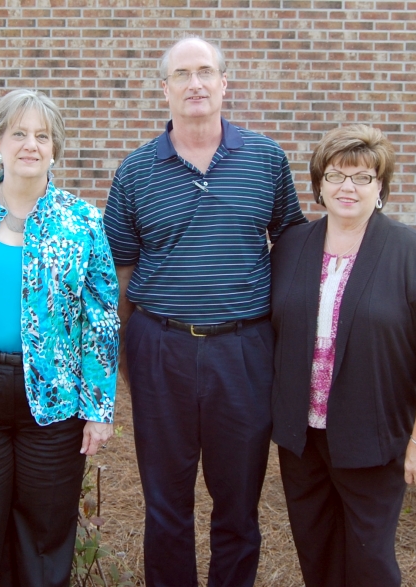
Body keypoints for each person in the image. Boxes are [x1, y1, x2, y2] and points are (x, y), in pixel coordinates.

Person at [103, 37, 306, 587]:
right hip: (160, 347)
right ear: (163, 88)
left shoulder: (265, 159)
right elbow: (119, 270)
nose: (195, 83)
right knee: (165, 503)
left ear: (223, 83)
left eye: (205, 72)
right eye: (182, 74)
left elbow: (291, 243)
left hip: (243, 351)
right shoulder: (136, 171)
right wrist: (127, 354)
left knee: (238, 504)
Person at [0, 89, 119, 587]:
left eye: (42, 135)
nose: (30, 144)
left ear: (55, 148)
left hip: (54, 402)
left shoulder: (81, 221)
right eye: (19, 133)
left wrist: (98, 407)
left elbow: (100, 318)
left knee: (44, 534)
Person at [270, 124, 416, 587]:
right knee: (316, 555)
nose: (347, 187)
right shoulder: (293, 246)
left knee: (369, 561)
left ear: (380, 188)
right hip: (302, 440)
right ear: (319, 186)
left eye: (361, 177)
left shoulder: (410, 253)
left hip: (373, 440)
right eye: (335, 176)